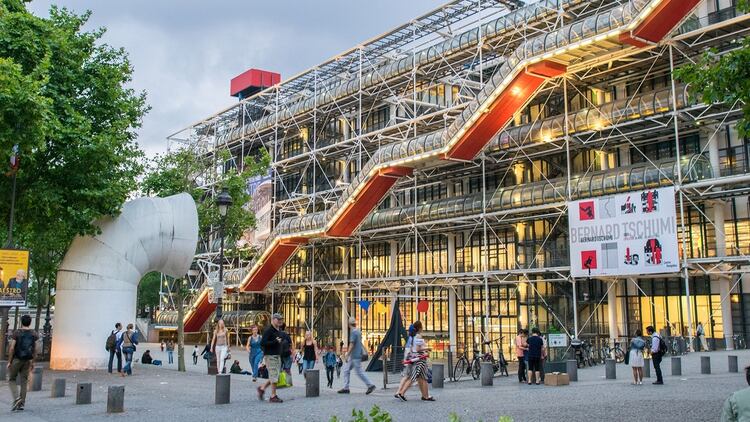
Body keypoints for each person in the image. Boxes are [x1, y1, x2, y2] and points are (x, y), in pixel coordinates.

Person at [395, 321, 434, 401]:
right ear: (420, 328)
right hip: (420, 359)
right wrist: (428, 348)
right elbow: (418, 349)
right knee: (413, 377)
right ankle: (401, 393)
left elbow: (413, 348)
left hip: (417, 358)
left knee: (423, 378)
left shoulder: (412, 337)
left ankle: (426, 396)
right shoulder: (418, 336)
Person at [7, 314, 38, 411]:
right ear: (30, 322)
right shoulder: (34, 333)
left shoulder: (17, 333)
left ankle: (17, 398)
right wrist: (33, 361)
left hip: (17, 359)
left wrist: (9, 361)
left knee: (11, 379)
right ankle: (22, 404)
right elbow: (36, 349)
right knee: (24, 381)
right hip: (27, 360)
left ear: (21, 321)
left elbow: (12, 348)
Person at [338, 317, 376, 395]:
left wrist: (347, 354)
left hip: (355, 356)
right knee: (346, 370)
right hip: (355, 355)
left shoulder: (354, 332)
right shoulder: (358, 331)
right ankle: (346, 388)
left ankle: (370, 385)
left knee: (359, 372)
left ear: (349, 324)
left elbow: (352, 344)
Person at [258, 313, 284, 403]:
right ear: (273, 320)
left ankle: (262, 388)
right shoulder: (268, 330)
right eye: (278, 319)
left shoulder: (278, 330)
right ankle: (273, 396)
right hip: (270, 356)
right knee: (274, 376)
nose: (280, 320)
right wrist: (275, 341)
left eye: (281, 319)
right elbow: (262, 343)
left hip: (277, 355)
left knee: (274, 375)